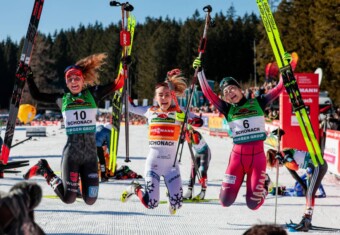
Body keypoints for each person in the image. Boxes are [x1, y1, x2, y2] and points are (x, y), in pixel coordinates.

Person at [23, 53, 125, 205]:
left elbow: (118, 83)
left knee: (90, 199)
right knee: (68, 198)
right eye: (69, 79)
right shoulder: (62, 99)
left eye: (76, 78)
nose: (73, 81)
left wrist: (124, 66)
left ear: (83, 79)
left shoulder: (93, 94)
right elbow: (37, 95)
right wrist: (28, 75)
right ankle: (44, 168)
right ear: (66, 83)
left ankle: (79, 181)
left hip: (90, 157)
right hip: (72, 155)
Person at [192, 55, 287, 210]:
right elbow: (209, 94)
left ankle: (265, 184)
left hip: (257, 159)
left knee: (253, 204)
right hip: (237, 159)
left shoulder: (258, 102)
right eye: (226, 92)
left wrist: (285, 68)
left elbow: (279, 88)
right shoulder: (227, 109)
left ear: (240, 89)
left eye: (232, 88)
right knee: (225, 201)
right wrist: (200, 72)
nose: (230, 92)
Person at [120, 68, 192, 214]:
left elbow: (199, 121)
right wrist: (124, 79)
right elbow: (128, 106)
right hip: (154, 165)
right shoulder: (150, 110)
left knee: (177, 204)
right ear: (155, 97)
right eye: (160, 95)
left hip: (171, 167)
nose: (164, 98)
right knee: (151, 203)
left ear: (172, 96)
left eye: (167, 95)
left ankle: (172, 198)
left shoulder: (180, 112)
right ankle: (135, 188)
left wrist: (191, 122)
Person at [266, 148, 328, 231]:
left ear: (275, 160)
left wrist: (284, 161)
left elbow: (295, 167)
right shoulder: (284, 159)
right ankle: (307, 220)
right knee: (308, 194)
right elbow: (294, 175)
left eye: (275, 165)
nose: (277, 167)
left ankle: (307, 221)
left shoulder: (285, 154)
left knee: (310, 194)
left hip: (317, 164)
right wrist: (304, 186)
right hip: (312, 167)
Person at [183, 121, 211, 200]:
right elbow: (181, 141)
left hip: (205, 153)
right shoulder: (186, 134)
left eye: (188, 130)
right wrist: (184, 137)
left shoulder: (196, 134)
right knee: (193, 171)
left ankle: (203, 192)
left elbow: (196, 141)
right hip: (197, 153)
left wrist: (188, 136)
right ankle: (189, 191)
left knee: (202, 171)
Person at [95, 117, 112, 182]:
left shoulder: (99, 127)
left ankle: (92, 175)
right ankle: (103, 176)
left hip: (90, 144)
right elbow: (109, 144)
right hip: (98, 146)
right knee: (102, 162)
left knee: (92, 161)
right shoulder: (108, 132)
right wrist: (111, 153)